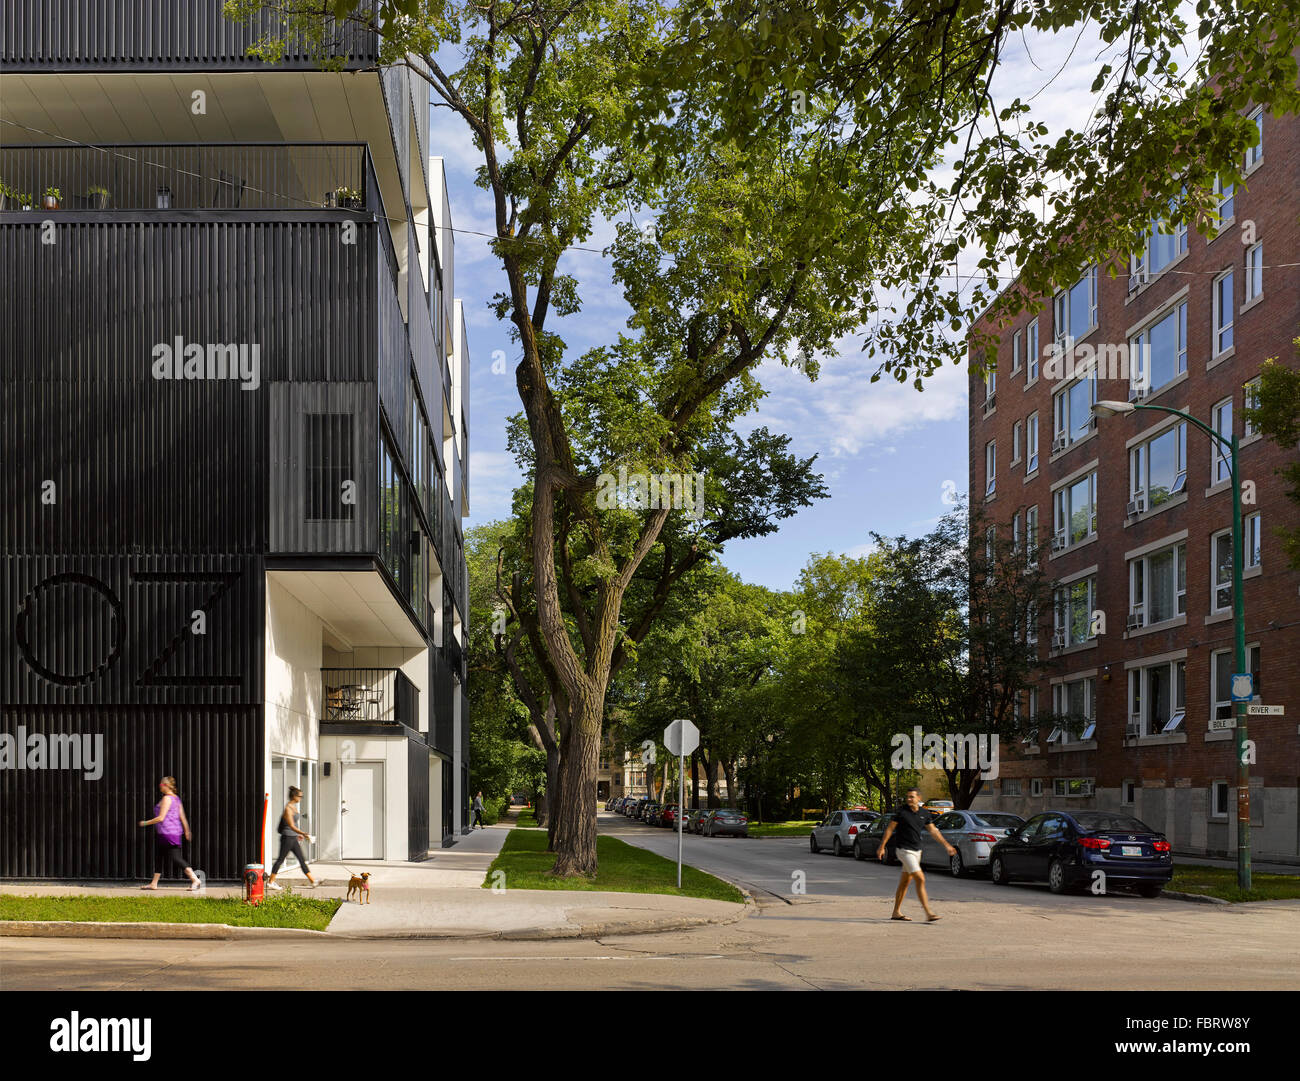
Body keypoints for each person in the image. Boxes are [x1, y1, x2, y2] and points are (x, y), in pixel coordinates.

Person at [877, 788, 957, 922]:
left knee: (905, 882)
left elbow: (934, 831)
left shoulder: (924, 813)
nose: (909, 799)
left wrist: (947, 845)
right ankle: (928, 913)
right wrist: (882, 846)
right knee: (920, 878)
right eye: (907, 797)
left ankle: (896, 912)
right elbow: (890, 829)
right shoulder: (901, 812)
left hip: (916, 851)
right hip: (904, 850)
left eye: (912, 797)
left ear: (919, 798)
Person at [138, 776, 201, 890]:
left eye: (161, 784)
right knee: (159, 856)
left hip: (168, 833)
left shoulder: (167, 799)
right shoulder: (176, 799)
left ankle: (195, 879)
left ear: (166, 785)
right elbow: (182, 817)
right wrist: (186, 830)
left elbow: (161, 818)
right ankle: (154, 883)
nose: (160, 786)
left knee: (176, 858)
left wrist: (145, 823)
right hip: (169, 833)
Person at [266, 786, 322, 890]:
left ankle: (313, 881)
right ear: (294, 796)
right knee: (280, 860)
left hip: (292, 838)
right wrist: (303, 833)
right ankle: (271, 882)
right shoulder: (288, 808)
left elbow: (293, 825)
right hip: (287, 838)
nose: (301, 798)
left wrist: (298, 835)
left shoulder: (294, 807)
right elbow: (291, 825)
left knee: (301, 859)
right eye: (300, 796)